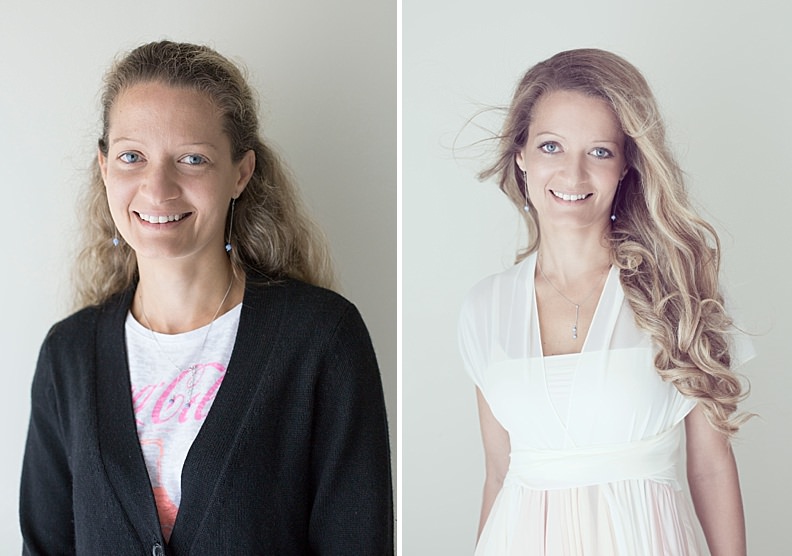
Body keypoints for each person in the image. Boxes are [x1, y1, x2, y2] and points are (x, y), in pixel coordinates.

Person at [20, 40, 393, 555]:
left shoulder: (321, 338)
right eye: (132, 156)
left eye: (192, 159)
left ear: (240, 173)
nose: (158, 188)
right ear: (104, 167)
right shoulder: (68, 354)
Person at [458, 48, 753, 556]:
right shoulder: (484, 309)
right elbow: (499, 473)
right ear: (521, 155)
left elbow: (709, 465)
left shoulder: (680, 290)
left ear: (626, 167)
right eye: (551, 146)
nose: (572, 176)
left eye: (599, 152)